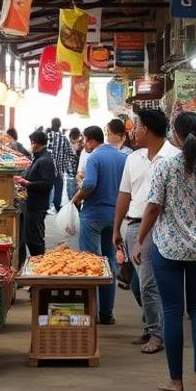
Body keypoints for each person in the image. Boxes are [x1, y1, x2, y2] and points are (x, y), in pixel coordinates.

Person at [135, 111, 196, 391]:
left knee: (172, 311)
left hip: (168, 248)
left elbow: (153, 208)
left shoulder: (165, 166)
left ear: (176, 135)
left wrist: (139, 240)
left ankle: (176, 380)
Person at [112, 108, 179, 354]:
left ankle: (157, 333)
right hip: (133, 225)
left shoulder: (174, 157)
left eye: (137, 126)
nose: (133, 131)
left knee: (148, 283)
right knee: (135, 283)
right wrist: (117, 228)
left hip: (159, 226)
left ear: (147, 130)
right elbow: (124, 194)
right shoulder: (133, 158)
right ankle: (153, 325)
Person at [74, 126, 127, 325]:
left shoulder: (94, 157)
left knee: (91, 263)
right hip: (114, 216)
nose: (84, 145)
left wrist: (77, 198)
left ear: (90, 140)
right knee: (110, 262)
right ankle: (106, 313)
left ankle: (90, 312)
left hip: (93, 216)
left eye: (85, 141)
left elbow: (89, 184)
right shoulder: (122, 158)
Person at [16, 131, 56, 256]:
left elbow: (47, 185)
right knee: (31, 237)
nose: (30, 146)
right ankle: (37, 261)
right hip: (32, 203)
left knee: (35, 239)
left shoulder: (44, 160)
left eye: (31, 143)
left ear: (36, 144)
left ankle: (39, 262)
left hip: (37, 205)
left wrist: (27, 184)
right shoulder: (39, 158)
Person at [46, 118, 73, 214]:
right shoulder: (64, 138)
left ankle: (46, 206)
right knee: (58, 188)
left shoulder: (47, 136)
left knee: (46, 187)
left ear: (51, 124)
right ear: (60, 126)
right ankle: (56, 206)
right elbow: (70, 153)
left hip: (47, 168)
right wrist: (66, 166)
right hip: (59, 169)